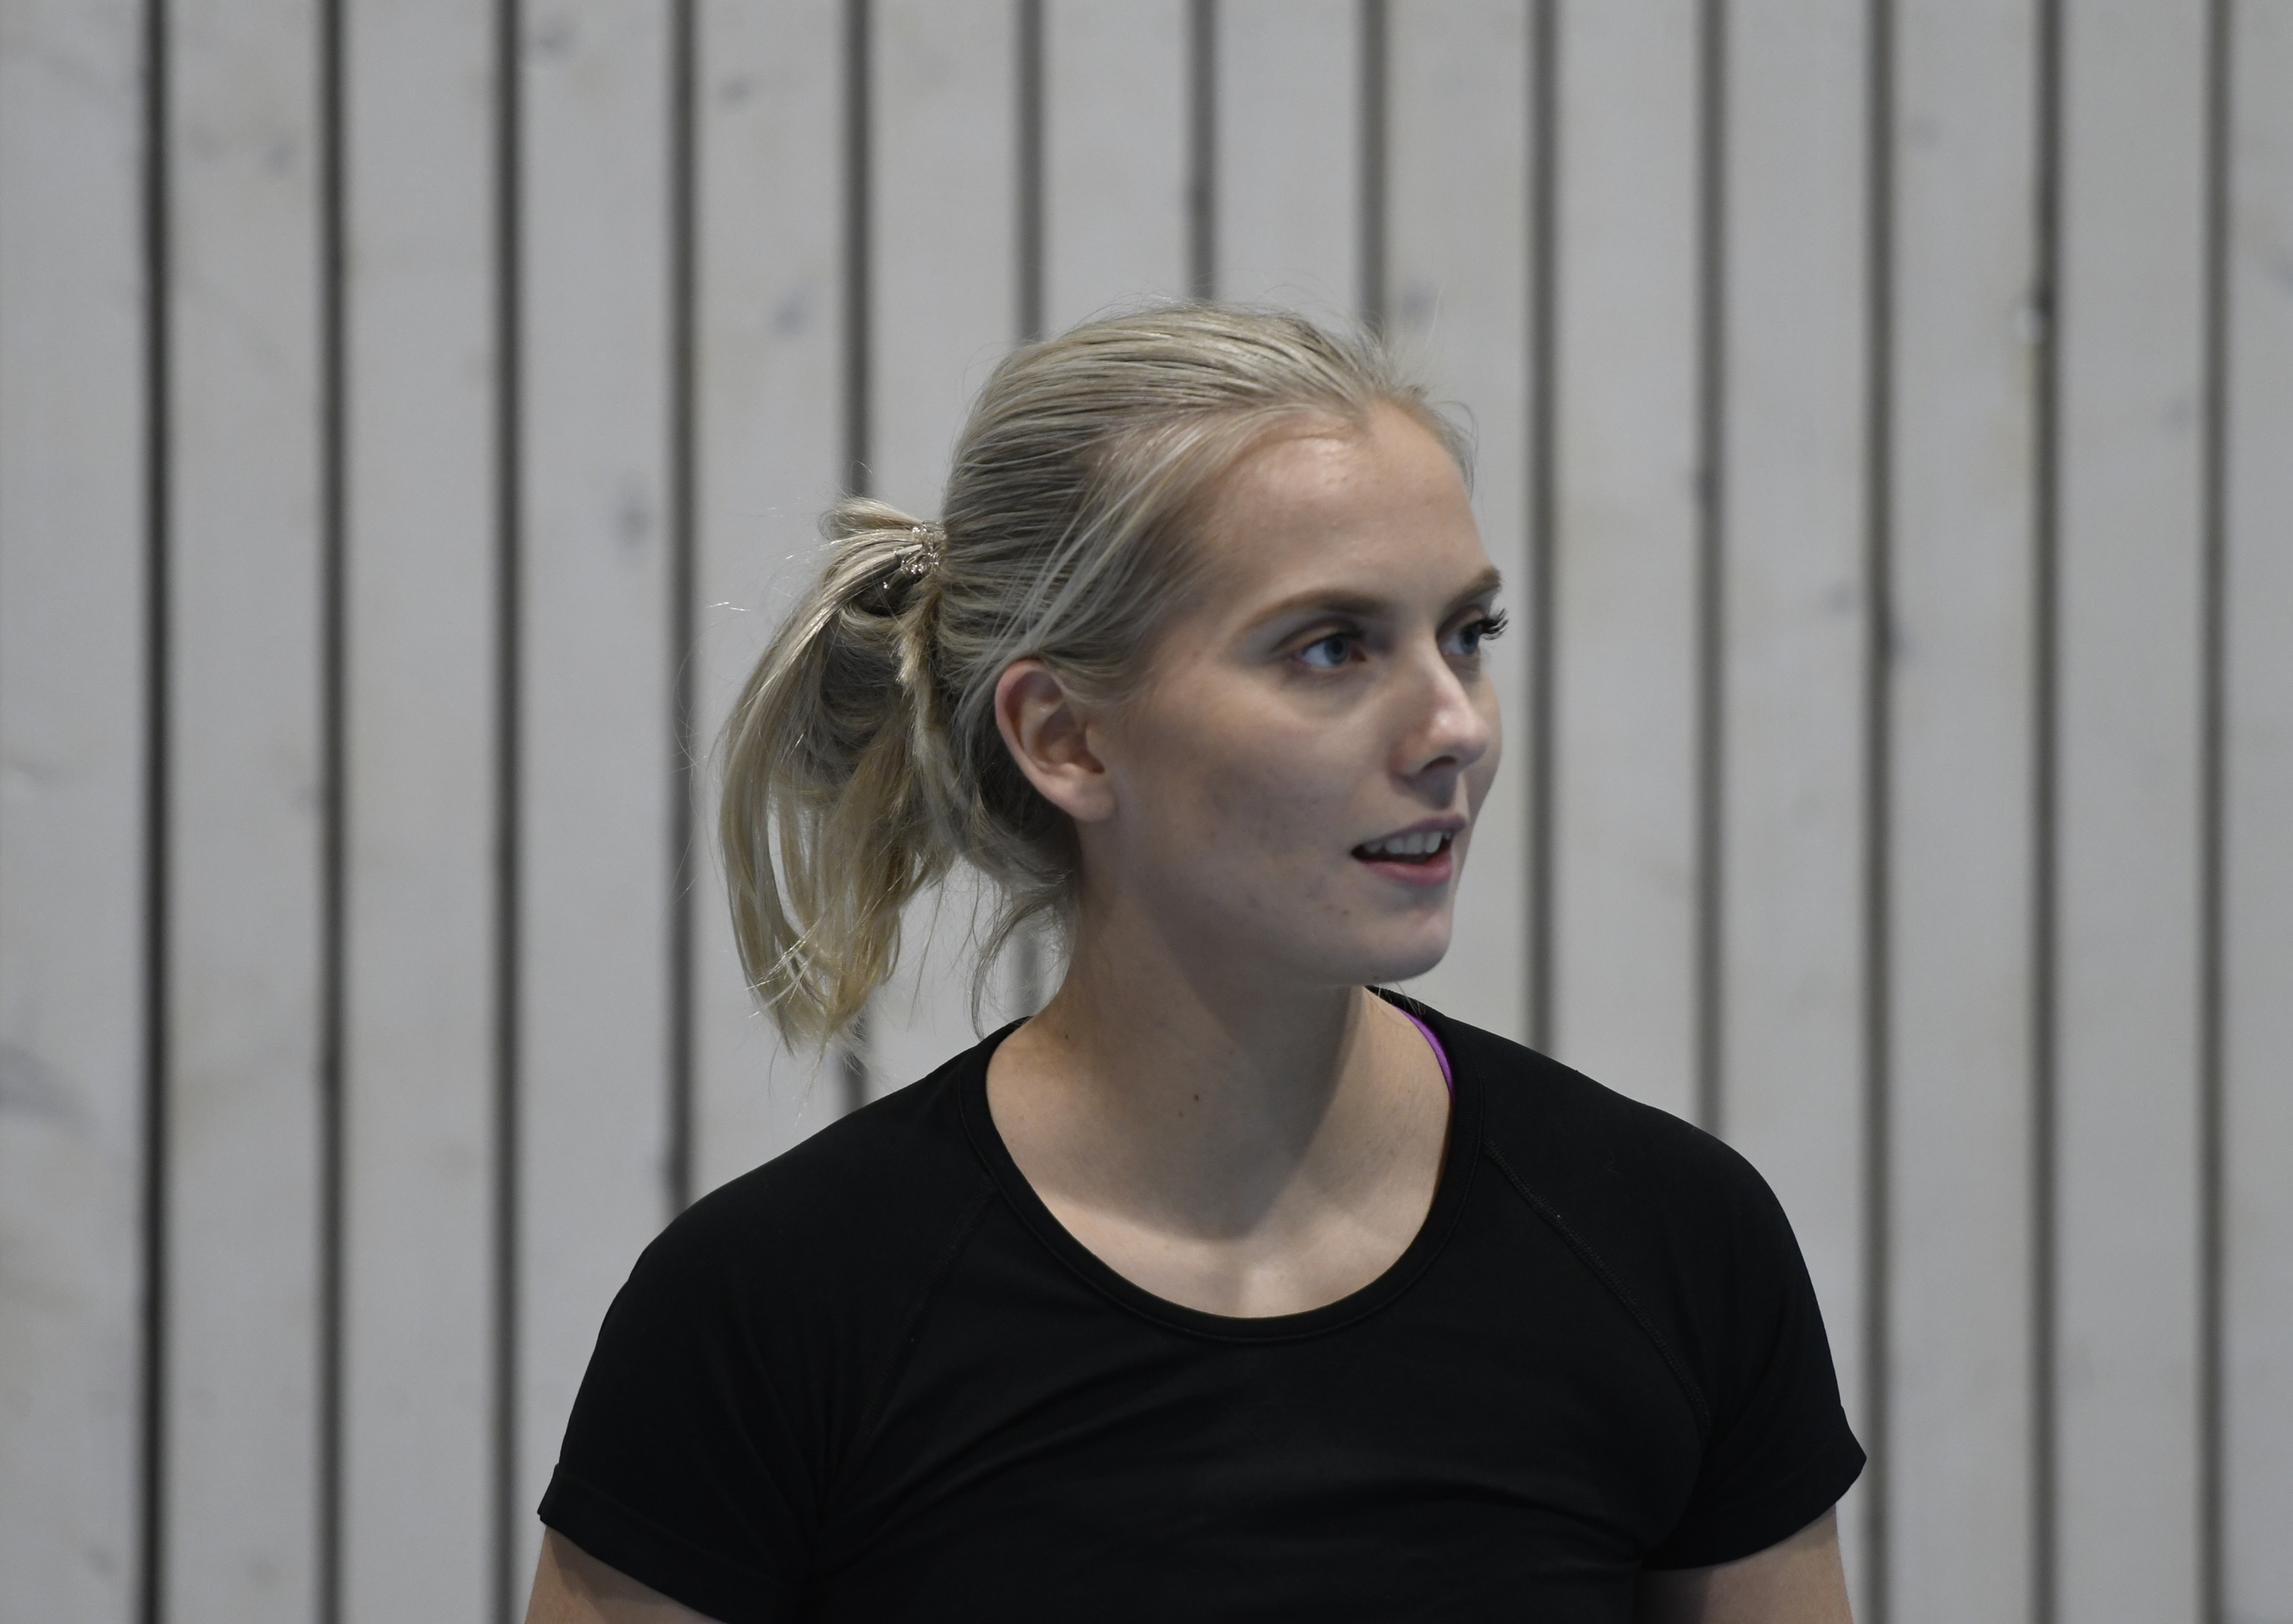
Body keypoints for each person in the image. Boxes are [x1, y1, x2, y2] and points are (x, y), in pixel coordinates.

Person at [524, 305, 1863, 1622]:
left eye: (1468, 635)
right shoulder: (773, 1312)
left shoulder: (1675, 1246)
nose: (1454, 725)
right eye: (1332, 648)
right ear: (1067, 737)